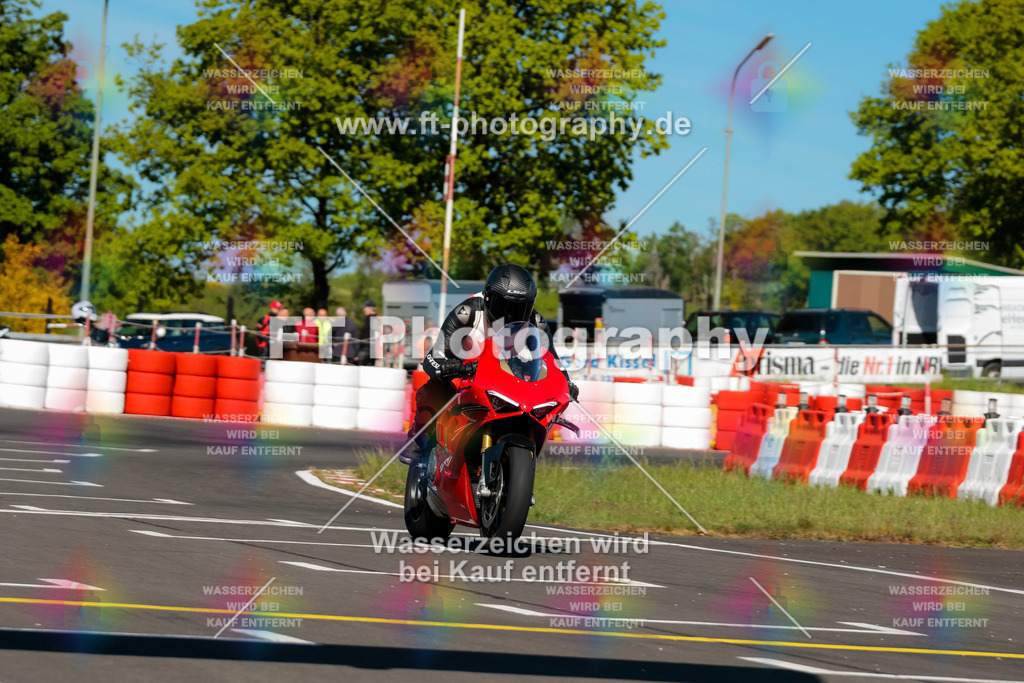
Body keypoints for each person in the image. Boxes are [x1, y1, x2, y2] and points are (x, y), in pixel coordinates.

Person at [402, 264, 578, 465]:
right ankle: (420, 438)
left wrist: (566, 382)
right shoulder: (467, 312)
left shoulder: (536, 322)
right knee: (438, 387)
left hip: (506, 379)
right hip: (466, 372)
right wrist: (447, 366)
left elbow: (552, 360)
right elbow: (435, 355)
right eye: (504, 306)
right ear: (487, 297)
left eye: (521, 308)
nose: (511, 314)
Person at [357, 300, 376, 365]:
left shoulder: (372, 319)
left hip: (367, 347)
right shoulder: (371, 318)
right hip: (369, 347)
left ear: (370, 308)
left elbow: (365, 333)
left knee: (360, 363)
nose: (364, 310)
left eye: (365, 308)